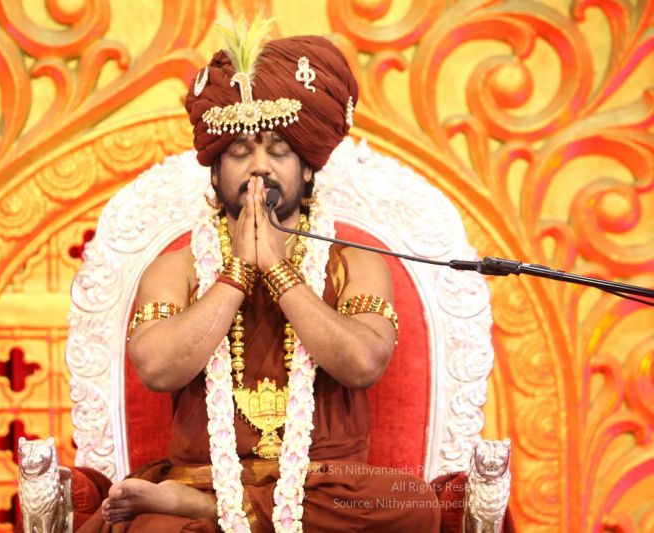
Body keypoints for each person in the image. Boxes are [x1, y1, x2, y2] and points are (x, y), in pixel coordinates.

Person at [78, 16, 441, 533]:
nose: (259, 166)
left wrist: (278, 269)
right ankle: (208, 505)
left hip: (328, 488)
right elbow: (156, 369)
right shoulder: (178, 268)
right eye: (240, 151)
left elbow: (363, 363)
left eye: (278, 150)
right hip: (203, 476)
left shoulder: (355, 264)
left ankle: (211, 512)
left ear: (308, 168)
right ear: (214, 171)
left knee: (412, 503)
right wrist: (237, 274)